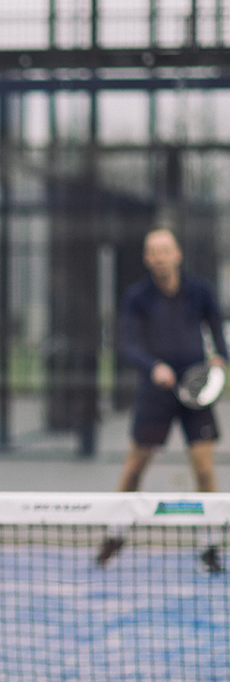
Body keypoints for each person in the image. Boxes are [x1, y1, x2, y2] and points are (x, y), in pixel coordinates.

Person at [96, 225, 227, 573]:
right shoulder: (137, 297)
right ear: (146, 259)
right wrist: (153, 367)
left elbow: (216, 328)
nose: (160, 257)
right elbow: (126, 344)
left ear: (177, 254)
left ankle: (210, 544)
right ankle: (116, 532)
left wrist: (220, 359)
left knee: (203, 469)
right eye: (153, 252)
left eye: (165, 250)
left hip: (195, 393)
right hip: (156, 393)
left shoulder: (199, 291)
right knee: (135, 466)